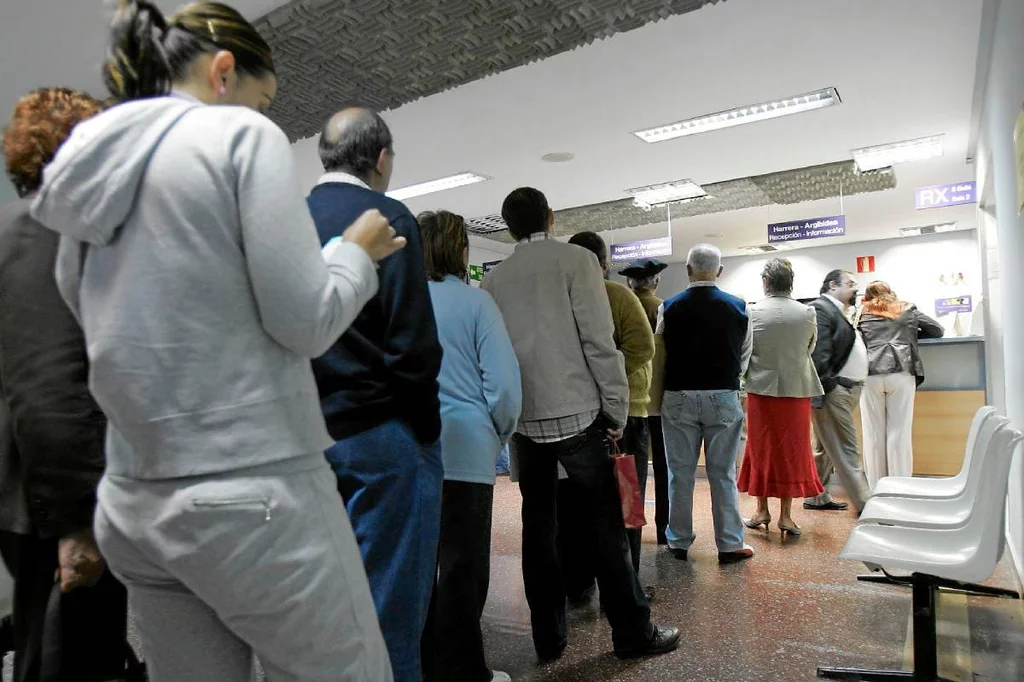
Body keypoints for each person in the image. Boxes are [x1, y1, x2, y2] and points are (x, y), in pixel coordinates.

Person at [29, 2, 399, 679]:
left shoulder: (84, 183)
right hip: (251, 493)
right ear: (223, 71)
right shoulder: (236, 136)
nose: (261, 114)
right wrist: (354, 254)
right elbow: (306, 321)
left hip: (134, 500)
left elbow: (85, 320)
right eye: (263, 100)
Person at [482, 188, 679, 661]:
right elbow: (598, 342)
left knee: (538, 529)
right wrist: (614, 409)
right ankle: (632, 633)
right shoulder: (577, 262)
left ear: (508, 228)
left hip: (526, 422)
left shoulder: (494, 280)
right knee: (606, 526)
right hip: (578, 416)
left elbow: (499, 355)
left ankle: (548, 638)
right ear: (551, 216)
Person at [0, 87, 138, 682]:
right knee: (68, 662)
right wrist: (77, 523)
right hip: (56, 503)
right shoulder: (46, 233)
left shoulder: (23, 230)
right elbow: (49, 389)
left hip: (41, 494)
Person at [308, 107, 444, 682]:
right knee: (390, 610)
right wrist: (426, 429)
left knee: (324, 607)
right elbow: (411, 345)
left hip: (306, 438)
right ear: (382, 159)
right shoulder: (387, 218)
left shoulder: (287, 220)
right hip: (380, 436)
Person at [418, 210, 521, 682]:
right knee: (463, 567)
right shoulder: (477, 304)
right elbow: (504, 386)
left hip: (412, 451)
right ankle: (463, 671)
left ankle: (421, 665)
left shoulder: (397, 304)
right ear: (461, 251)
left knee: (418, 566)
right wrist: (497, 433)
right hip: (466, 449)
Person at [564, 232, 655, 599]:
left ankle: (580, 580)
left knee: (579, 502)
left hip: (578, 414)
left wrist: (590, 383)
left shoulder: (564, 298)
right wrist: (610, 378)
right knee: (626, 500)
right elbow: (643, 347)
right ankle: (626, 588)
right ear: (604, 263)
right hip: (626, 411)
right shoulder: (618, 295)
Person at [656, 244, 753, 563]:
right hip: (722, 394)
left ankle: (678, 540)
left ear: (687, 270)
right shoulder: (739, 306)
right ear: (719, 271)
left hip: (678, 395)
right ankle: (729, 544)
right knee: (722, 473)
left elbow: (661, 352)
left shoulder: (668, 306)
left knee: (679, 472)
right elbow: (744, 353)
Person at [737, 259, 825, 537]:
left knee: (761, 448)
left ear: (765, 282)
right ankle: (786, 516)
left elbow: (746, 349)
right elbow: (810, 347)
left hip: (761, 389)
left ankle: (761, 510)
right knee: (792, 450)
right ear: (791, 283)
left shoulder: (752, 311)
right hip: (796, 389)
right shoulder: (807, 312)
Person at [856, 281, 944, 488]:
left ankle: (877, 488)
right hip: (901, 372)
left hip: (869, 375)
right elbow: (937, 330)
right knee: (899, 431)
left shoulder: (861, 313)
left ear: (867, 297)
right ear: (891, 293)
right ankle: (901, 486)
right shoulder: (907, 308)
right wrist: (910, 333)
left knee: (873, 433)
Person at [804, 270, 872, 515]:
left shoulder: (837, 310)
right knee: (846, 449)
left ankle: (816, 496)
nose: (856, 288)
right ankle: (866, 505)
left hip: (844, 389)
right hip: (834, 391)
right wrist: (830, 386)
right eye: (851, 283)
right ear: (833, 285)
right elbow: (819, 353)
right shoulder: (821, 308)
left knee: (825, 446)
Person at [621, 258, 670, 545]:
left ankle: (629, 531)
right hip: (661, 401)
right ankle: (665, 529)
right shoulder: (664, 308)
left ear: (630, 283)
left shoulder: (623, 307)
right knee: (664, 468)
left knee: (629, 472)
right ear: (656, 282)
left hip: (632, 400)